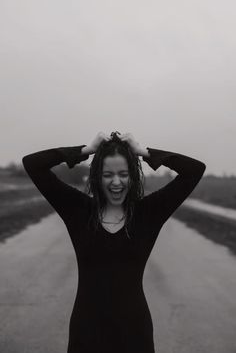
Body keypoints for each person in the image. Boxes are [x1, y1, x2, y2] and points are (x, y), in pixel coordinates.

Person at [22, 131, 206, 353]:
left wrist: (143, 151)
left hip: (135, 334)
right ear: (97, 177)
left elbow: (194, 170)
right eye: (108, 174)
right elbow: (32, 164)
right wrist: (85, 151)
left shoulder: (148, 213)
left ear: (133, 176)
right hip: (86, 333)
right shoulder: (79, 211)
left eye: (123, 174)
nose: (116, 182)